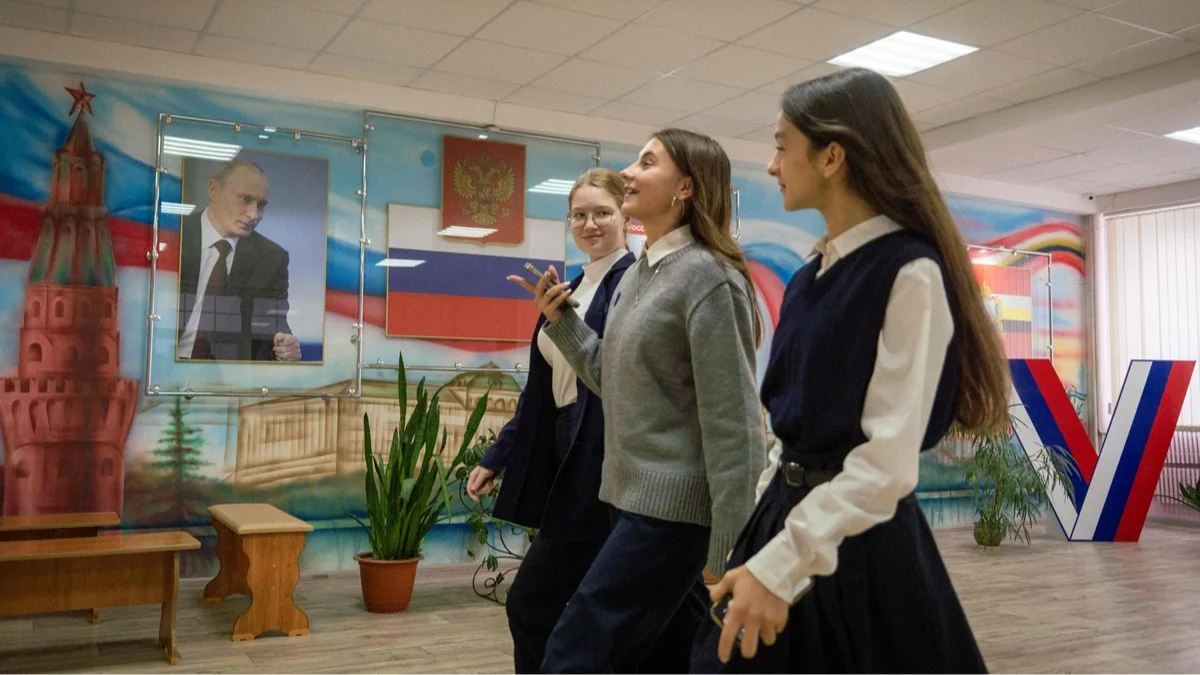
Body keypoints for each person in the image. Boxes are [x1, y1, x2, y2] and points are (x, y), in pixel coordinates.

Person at [696, 67, 1007, 673]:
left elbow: (886, 463)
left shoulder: (910, 272)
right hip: (786, 526)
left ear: (832, 155)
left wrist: (783, 563)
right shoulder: (808, 278)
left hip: (859, 553)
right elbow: (791, 439)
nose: (772, 165)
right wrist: (757, 537)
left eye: (782, 146)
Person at [510, 128, 767, 673]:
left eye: (647, 163)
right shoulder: (645, 272)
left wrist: (730, 548)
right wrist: (562, 322)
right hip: (625, 501)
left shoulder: (709, 277)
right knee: (665, 656)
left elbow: (736, 424)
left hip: (671, 514)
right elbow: (612, 377)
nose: (628, 171)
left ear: (685, 187)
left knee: (572, 655)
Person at [464, 168, 639, 673]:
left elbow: (618, 376)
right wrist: (497, 457)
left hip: (605, 456)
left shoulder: (634, 284)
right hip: (564, 450)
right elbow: (541, 394)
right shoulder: (568, 289)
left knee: (536, 604)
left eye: (602, 212)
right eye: (579, 215)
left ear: (624, 215)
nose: (590, 224)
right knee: (555, 607)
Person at [176, 158, 300, 362]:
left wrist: (286, 346)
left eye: (261, 205)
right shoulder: (173, 233)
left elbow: (274, 327)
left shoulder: (272, 258)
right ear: (214, 190)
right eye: (245, 199)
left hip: (228, 374)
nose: (253, 215)